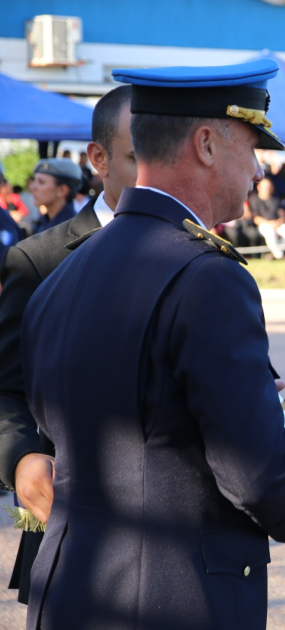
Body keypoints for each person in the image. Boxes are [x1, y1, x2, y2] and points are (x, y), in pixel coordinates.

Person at [17, 59, 285, 629]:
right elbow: (259, 483)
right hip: (174, 597)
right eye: (252, 148)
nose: (259, 170)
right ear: (207, 145)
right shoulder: (208, 276)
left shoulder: (62, 273)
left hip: (69, 591)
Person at [0, 85, 138, 606]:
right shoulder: (41, 260)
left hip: (187, 537)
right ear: (99, 159)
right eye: (137, 157)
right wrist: (21, 458)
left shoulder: (203, 254)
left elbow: (248, 375)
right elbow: (6, 386)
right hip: (72, 521)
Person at [28, 159, 82, 234]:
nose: (32, 187)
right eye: (34, 180)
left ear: (62, 190)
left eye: (41, 182)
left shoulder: (72, 230)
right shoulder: (43, 222)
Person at [251, 177, 285, 259]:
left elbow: (282, 215)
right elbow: (256, 218)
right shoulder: (254, 200)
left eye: (269, 187)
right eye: (265, 187)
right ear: (259, 187)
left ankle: (274, 254)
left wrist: (278, 223)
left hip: (277, 224)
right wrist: (269, 224)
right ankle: (281, 256)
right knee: (271, 233)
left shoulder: (275, 200)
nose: (267, 189)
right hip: (263, 225)